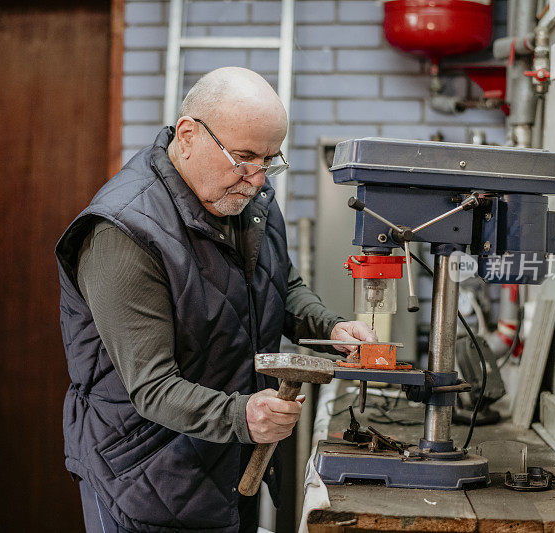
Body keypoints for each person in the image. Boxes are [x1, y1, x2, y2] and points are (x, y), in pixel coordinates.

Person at [55, 67, 376, 532]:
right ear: (187, 136)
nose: (257, 177)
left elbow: (279, 285)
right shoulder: (124, 233)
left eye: (270, 160)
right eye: (243, 157)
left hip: (227, 464)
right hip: (144, 478)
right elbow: (152, 386)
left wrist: (328, 326)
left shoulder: (247, 197)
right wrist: (244, 415)